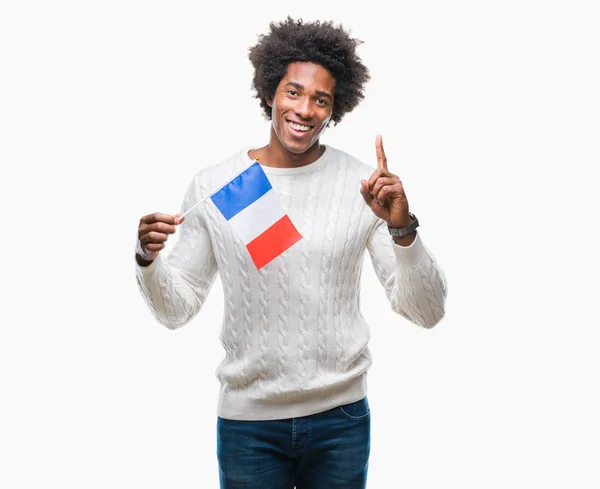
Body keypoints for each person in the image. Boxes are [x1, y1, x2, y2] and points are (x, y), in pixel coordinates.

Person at [135, 16, 447, 489]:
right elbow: (177, 310)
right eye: (293, 92)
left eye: (320, 99)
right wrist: (147, 260)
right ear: (269, 94)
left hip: (340, 421)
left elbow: (426, 312)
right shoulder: (218, 185)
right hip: (249, 427)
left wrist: (402, 227)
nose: (304, 109)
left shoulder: (362, 187)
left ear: (333, 109)